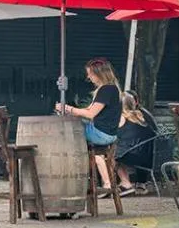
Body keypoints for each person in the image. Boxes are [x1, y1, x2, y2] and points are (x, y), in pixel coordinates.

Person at [54, 57, 130, 194]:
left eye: (90, 74)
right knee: (73, 130)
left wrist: (68, 108)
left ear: (100, 74)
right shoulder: (111, 89)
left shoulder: (106, 90)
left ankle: (69, 176)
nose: (88, 77)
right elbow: (88, 110)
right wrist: (71, 111)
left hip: (100, 134)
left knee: (65, 132)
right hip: (108, 134)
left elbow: (90, 114)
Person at [115, 91, 158, 192]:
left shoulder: (121, 117)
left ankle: (125, 182)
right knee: (120, 151)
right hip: (149, 157)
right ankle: (136, 183)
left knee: (111, 155)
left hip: (133, 155)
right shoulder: (142, 115)